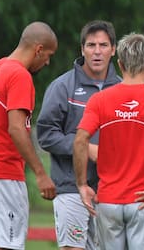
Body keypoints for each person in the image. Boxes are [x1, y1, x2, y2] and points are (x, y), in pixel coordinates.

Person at [73, 33, 144, 250]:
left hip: (109, 200)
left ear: (119, 63)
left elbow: (80, 139)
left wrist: (82, 184)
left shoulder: (99, 99)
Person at [0, 22, 57, 250]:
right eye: (48, 55)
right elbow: (17, 128)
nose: (47, 62)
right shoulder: (20, 76)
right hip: (2, 173)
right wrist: (40, 173)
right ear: (38, 49)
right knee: (8, 245)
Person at [37, 20, 121, 250]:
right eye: (91, 45)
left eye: (103, 45)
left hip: (112, 190)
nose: (97, 51)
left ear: (113, 50)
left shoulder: (122, 89)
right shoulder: (62, 86)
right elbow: (46, 135)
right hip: (71, 188)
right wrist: (84, 148)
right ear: (82, 49)